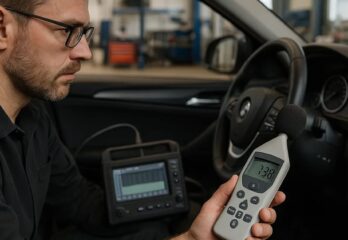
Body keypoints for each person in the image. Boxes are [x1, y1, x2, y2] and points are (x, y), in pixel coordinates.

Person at [0, 0, 286, 240]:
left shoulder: (33, 117)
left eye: (84, 32)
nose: (84, 52)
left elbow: (79, 202)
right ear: (3, 28)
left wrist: (194, 230)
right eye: (66, 30)